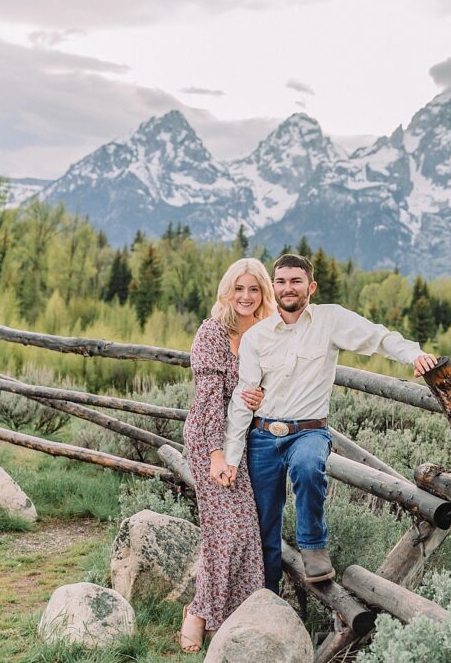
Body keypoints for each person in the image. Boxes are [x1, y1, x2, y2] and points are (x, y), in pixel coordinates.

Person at [222, 253, 437, 593]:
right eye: (281, 281)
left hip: (308, 431)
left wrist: (414, 354)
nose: (288, 288)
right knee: (263, 522)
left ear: (311, 286)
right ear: (273, 287)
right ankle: (266, 596)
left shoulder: (330, 320)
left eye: (296, 281)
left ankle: (313, 548)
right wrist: (231, 455)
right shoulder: (257, 337)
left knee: (308, 468)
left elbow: (377, 337)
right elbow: (243, 397)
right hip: (262, 436)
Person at [179, 258, 275, 653]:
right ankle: (198, 613)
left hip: (245, 441)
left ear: (263, 293)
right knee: (225, 530)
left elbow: (280, 384)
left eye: (253, 289)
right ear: (227, 291)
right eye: (239, 289)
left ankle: (235, 617)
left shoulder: (268, 333)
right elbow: (206, 404)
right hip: (209, 440)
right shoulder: (212, 333)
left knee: (247, 533)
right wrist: (217, 455)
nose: (246, 297)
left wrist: (262, 396)